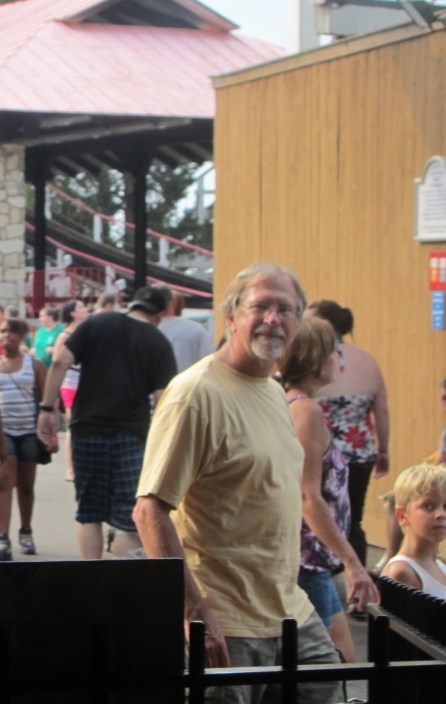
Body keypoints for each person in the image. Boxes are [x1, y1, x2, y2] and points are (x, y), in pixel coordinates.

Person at [133, 263, 340, 702]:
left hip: (290, 611)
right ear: (231, 317)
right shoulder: (197, 393)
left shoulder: (271, 390)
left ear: (298, 322)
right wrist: (193, 610)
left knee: (327, 684)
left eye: (285, 309)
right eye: (260, 306)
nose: (273, 319)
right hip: (226, 622)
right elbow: (149, 510)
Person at [39, 285, 177, 561]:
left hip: (86, 430)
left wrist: (46, 409)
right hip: (131, 436)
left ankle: (91, 587)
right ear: (161, 313)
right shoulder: (158, 342)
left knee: (89, 514)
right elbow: (164, 401)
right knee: (128, 519)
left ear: (132, 303)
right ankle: (120, 589)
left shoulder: (98, 321)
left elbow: (59, 362)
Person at [278, 317, 379, 663]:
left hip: (309, 560)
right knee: (333, 668)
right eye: (334, 352)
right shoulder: (307, 412)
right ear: (315, 358)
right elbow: (309, 497)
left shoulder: (289, 404)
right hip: (308, 559)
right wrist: (354, 563)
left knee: (341, 662)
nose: (339, 359)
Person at [307, 299, 390, 568]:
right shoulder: (367, 360)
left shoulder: (312, 359)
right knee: (354, 520)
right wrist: (383, 450)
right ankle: (359, 588)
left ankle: (322, 579)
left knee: (316, 515)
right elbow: (382, 412)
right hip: (359, 450)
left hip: (320, 451)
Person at [0, 318, 47, 561]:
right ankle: (2, 538)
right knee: (2, 481)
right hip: (0, 431)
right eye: (2, 332)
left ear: (21, 336)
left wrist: (48, 431)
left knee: (26, 485)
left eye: (12, 332)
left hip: (29, 432)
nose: (6, 336)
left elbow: (46, 400)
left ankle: (25, 530)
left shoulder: (34, 365)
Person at [382, 465, 446, 599]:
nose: (441, 514)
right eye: (428, 506)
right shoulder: (401, 572)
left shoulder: (442, 569)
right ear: (403, 515)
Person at [57, 300, 89, 483]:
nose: (85, 309)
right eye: (81, 307)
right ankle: (70, 468)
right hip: (69, 384)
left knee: (83, 425)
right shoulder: (65, 335)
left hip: (83, 383)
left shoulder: (84, 332)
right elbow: (57, 363)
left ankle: (80, 466)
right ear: (73, 313)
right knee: (73, 426)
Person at [159, 289, 214, 373]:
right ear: (174, 303)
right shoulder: (196, 329)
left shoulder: (146, 329)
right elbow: (208, 362)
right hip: (188, 383)